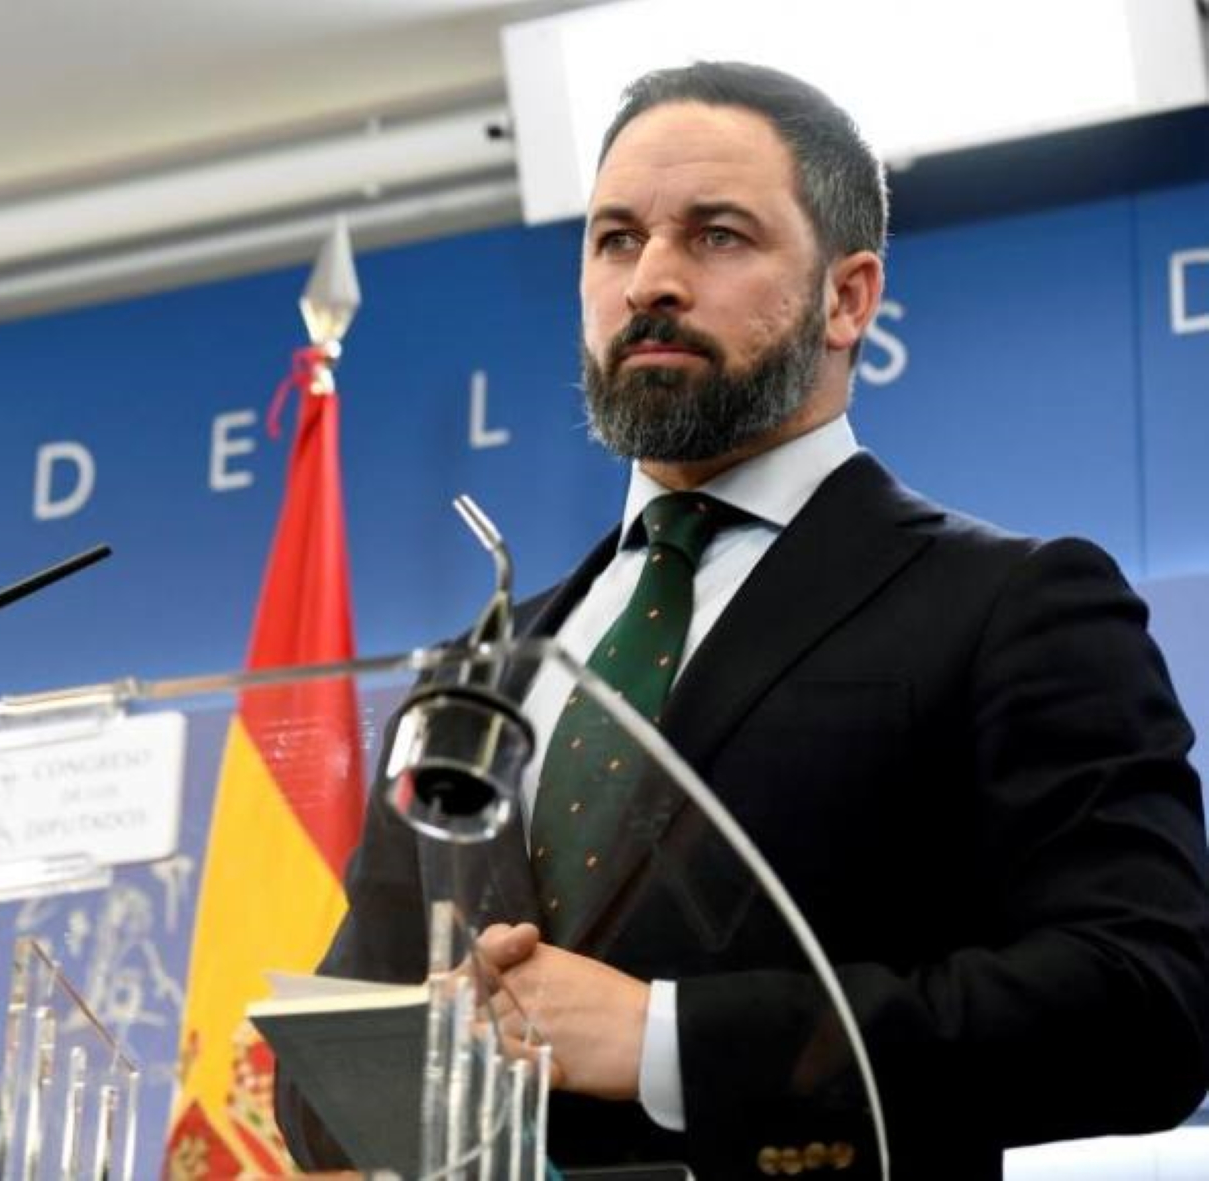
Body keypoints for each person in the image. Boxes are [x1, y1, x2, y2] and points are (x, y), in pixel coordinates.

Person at [278, 62, 1209, 1179]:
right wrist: (423, 1054)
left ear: (847, 296)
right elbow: (313, 1096)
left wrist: (665, 1039)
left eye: (716, 236)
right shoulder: (470, 673)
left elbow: (1145, 1003)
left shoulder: (1013, 603)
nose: (649, 281)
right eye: (615, 239)